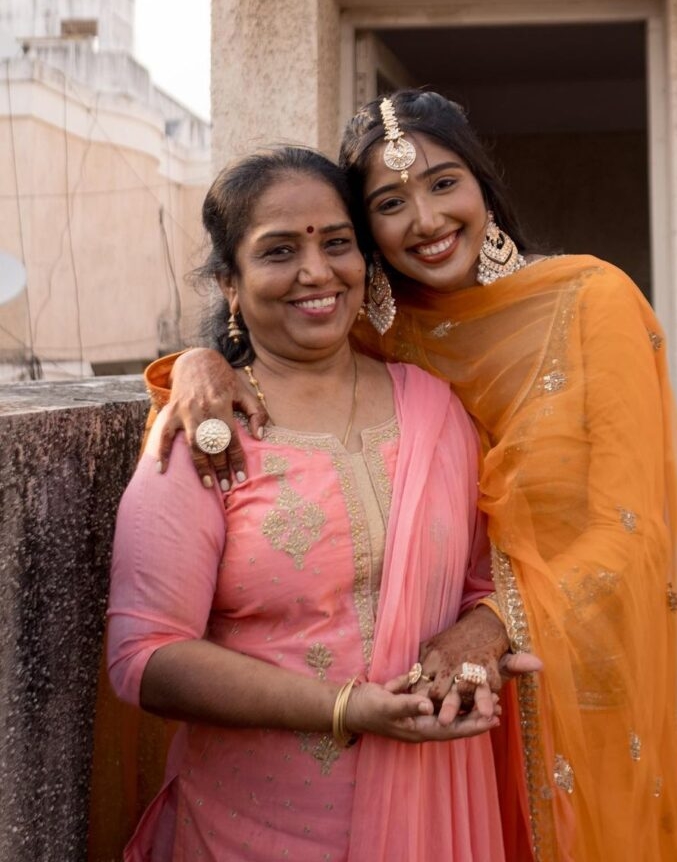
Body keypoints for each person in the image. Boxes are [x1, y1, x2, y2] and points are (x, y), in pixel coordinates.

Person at [150, 92, 677, 862]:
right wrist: (198, 363)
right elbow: (270, 351)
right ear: (366, 236)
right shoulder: (377, 328)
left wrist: (494, 622)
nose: (426, 221)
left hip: (559, 671)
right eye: (390, 203)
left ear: (482, 187)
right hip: (428, 706)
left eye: (443, 184)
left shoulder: (589, 299)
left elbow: (628, 526)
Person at [108, 146, 527, 862]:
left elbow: (494, 579)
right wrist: (346, 708)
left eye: (336, 244)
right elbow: (146, 657)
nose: (315, 272)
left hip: (436, 815)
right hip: (252, 831)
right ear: (229, 285)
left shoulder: (435, 409)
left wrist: (480, 635)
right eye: (278, 251)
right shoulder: (204, 435)